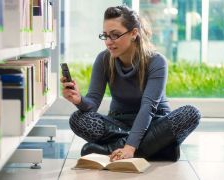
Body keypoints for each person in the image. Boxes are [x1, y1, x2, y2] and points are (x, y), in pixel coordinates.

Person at [60, 5, 201, 162]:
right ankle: (159, 149)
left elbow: (148, 108)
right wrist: (78, 99)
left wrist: (130, 147)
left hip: (155, 123)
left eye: (115, 35)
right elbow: (92, 104)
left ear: (134, 33)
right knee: (77, 119)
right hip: (118, 124)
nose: (108, 42)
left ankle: (112, 149)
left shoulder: (156, 61)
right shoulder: (103, 59)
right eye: (105, 36)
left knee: (191, 113)